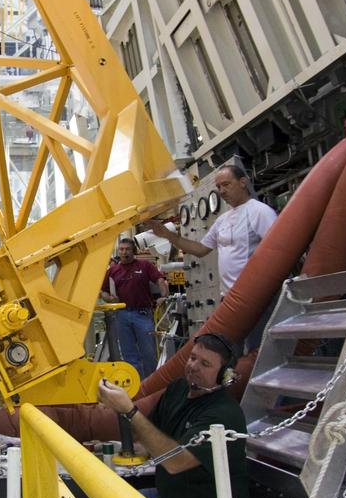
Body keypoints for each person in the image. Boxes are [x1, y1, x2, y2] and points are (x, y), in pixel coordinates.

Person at [95, 333, 251, 498]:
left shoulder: (223, 413)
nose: (194, 366)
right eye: (193, 358)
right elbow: (150, 436)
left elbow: (176, 462)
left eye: (205, 364)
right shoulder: (178, 389)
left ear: (224, 376)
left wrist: (128, 410)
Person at [152, 162, 276, 296]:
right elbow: (200, 249)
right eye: (218, 186)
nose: (221, 191)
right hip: (228, 296)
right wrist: (168, 235)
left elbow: (279, 250)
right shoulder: (223, 220)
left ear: (242, 182)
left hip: (254, 294)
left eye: (226, 184)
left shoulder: (259, 211)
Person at [101, 236, 165, 379]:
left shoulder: (144, 266)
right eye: (122, 250)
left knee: (149, 353)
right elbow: (103, 291)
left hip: (142, 314)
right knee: (129, 354)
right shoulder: (112, 271)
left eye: (127, 249)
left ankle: (151, 384)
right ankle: (138, 386)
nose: (124, 252)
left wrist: (164, 296)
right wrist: (109, 298)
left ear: (133, 251)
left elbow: (160, 279)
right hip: (121, 316)